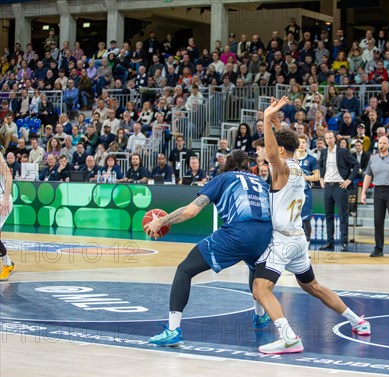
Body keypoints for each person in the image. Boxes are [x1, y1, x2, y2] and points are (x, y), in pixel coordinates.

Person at [251, 97, 371, 355]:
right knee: (313, 286)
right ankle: (357, 321)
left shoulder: (280, 169)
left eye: (271, 147)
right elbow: (282, 143)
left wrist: (266, 120)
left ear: (281, 150)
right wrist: (274, 119)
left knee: (260, 288)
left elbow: (272, 152)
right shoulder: (296, 166)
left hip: (282, 240)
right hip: (298, 240)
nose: (265, 150)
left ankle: (289, 338)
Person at [145, 150, 273, 347]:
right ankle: (260, 315)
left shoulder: (224, 178)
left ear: (227, 165)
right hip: (266, 234)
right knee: (254, 264)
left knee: (184, 270)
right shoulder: (262, 183)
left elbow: (190, 211)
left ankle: (173, 330)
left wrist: (161, 221)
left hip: (238, 233)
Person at [359, 136, 389, 258]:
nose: (381, 145)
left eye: (384, 143)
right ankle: (378, 249)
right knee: (378, 220)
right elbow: (368, 176)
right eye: (380, 143)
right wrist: (363, 192)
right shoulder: (373, 159)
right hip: (378, 190)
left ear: (388, 145)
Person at [319, 131, 360, 252]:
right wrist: (321, 178)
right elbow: (321, 166)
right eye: (327, 138)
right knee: (328, 215)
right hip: (327, 186)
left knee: (343, 215)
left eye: (330, 138)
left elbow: (356, 165)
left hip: (340, 186)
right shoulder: (324, 152)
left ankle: (344, 242)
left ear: (334, 139)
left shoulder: (343, 151)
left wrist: (348, 180)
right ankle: (329, 242)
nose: (329, 140)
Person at [295, 134, 319, 242]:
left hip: (305, 193)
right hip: (292, 193)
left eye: (303, 142)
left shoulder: (311, 159)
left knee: (306, 219)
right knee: (292, 220)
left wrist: (303, 177)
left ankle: (306, 247)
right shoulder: (290, 159)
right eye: (299, 142)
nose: (301, 145)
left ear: (307, 144)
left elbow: (317, 176)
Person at [0, 153, 15, 281]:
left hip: (2, 201)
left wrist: (5, 199)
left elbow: (9, 177)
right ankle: (8, 264)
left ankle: (8, 265)